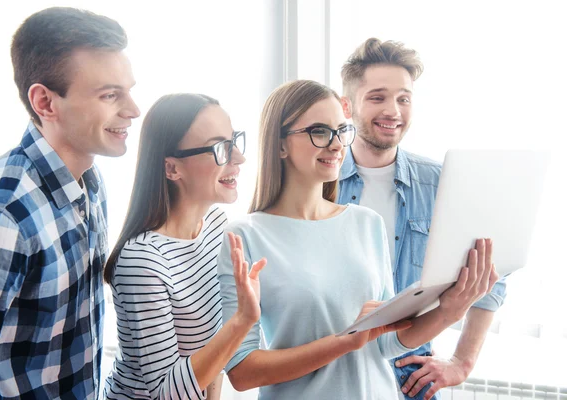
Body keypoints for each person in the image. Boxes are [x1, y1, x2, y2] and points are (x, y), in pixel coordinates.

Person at [217, 79, 498, 399]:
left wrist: (450, 311)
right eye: (320, 131)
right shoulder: (244, 236)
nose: (337, 144)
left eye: (342, 130)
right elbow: (242, 371)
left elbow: (386, 343)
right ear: (280, 144)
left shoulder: (366, 223)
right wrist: (344, 341)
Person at [0, 7, 140, 399]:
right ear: (45, 102)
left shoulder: (90, 185)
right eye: (111, 95)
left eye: (129, 90)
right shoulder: (1, 217)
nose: (133, 110)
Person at [337, 38, 508, 400]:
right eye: (378, 97)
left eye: (404, 98)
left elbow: (495, 275)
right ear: (346, 105)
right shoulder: (318, 183)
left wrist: (462, 361)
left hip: (410, 382)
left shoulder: (442, 183)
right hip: (335, 377)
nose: (393, 111)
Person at [103, 93, 267, 400]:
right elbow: (165, 394)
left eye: (234, 141)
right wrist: (242, 320)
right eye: (220, 148)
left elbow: (214, 363)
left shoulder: (218, 225)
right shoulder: (142, 261)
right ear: (172, 169)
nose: (238, 158)